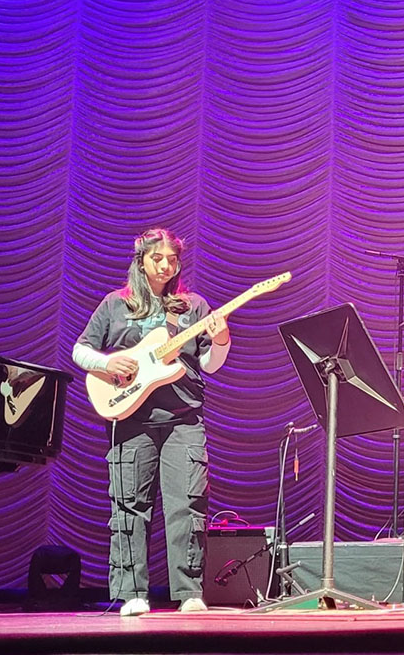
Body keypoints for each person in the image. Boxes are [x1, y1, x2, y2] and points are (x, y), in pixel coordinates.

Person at [72, 228, 231, 616]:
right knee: (128, 508)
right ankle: (132, 594)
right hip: (130, 417)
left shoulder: (191, 306)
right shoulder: (115, 304)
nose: (165, 265)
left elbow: (210, 364)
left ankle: (189, 592)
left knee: (188, 506)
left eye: (172, 259)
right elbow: (80, 350)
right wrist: (107, 363)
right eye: (157, 258)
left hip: (184, 419)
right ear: (141, 260)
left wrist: (222, 338)